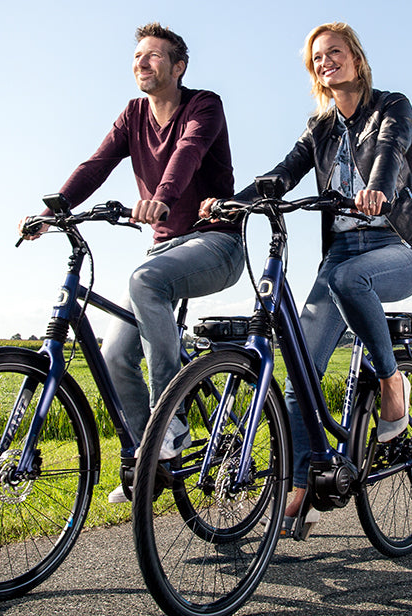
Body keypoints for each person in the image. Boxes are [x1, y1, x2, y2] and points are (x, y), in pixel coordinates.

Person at [203, 22, 412, 536]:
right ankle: (303, 484)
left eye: (335, 52)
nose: (326, 61)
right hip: (342, 255)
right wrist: (234, 203)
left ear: (355, 57)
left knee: (354, 280)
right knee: (297, 373)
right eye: (317, 58)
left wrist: (376, 189)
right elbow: (283, 173)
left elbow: (389, 155)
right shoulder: (320, 127)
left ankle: (392, 381)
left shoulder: (393, 106)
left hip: (399, 246)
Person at [23, 22, 244, 503]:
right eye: (138, 56)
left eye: (154, 56)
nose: (142, 63)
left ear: (178, 66)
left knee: (144, 281)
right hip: (163, 251)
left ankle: (170, 420)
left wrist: (162, 198)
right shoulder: (132, 114)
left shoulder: (203, 104)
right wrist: (51, 211)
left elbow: (188, 152)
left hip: (216, 243)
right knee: (115, 354)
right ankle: (152, 455)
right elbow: (97, 163)